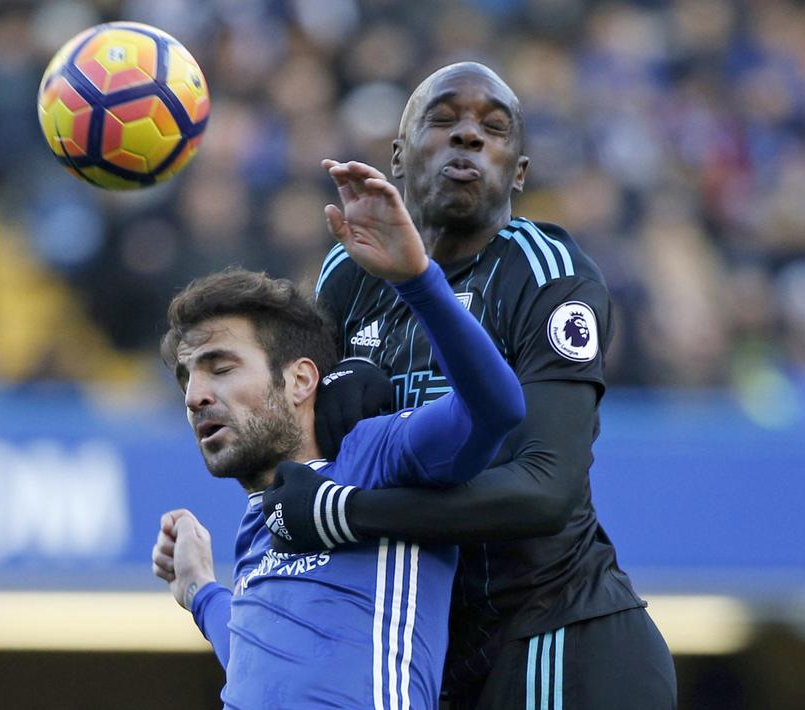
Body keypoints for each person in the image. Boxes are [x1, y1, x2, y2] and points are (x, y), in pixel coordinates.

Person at [263, 62, 677, 708]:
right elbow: (300, 463)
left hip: (556, 635)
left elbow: (544, 489)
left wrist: (347, 513)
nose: (468, 136)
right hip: (439, 653)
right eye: (443, 119)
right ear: (398, 157)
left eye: (494, 127)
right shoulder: (347, 271)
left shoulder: (549, 274)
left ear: (518, 172)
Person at [150, 159, 526, 709]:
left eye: (221, 367)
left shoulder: (378, 458)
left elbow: (496, 408)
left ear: (300, 379)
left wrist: (418, 282)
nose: (194, 396)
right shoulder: (262, 518)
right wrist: (200, 591)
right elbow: (260, 663)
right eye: (187, 378)